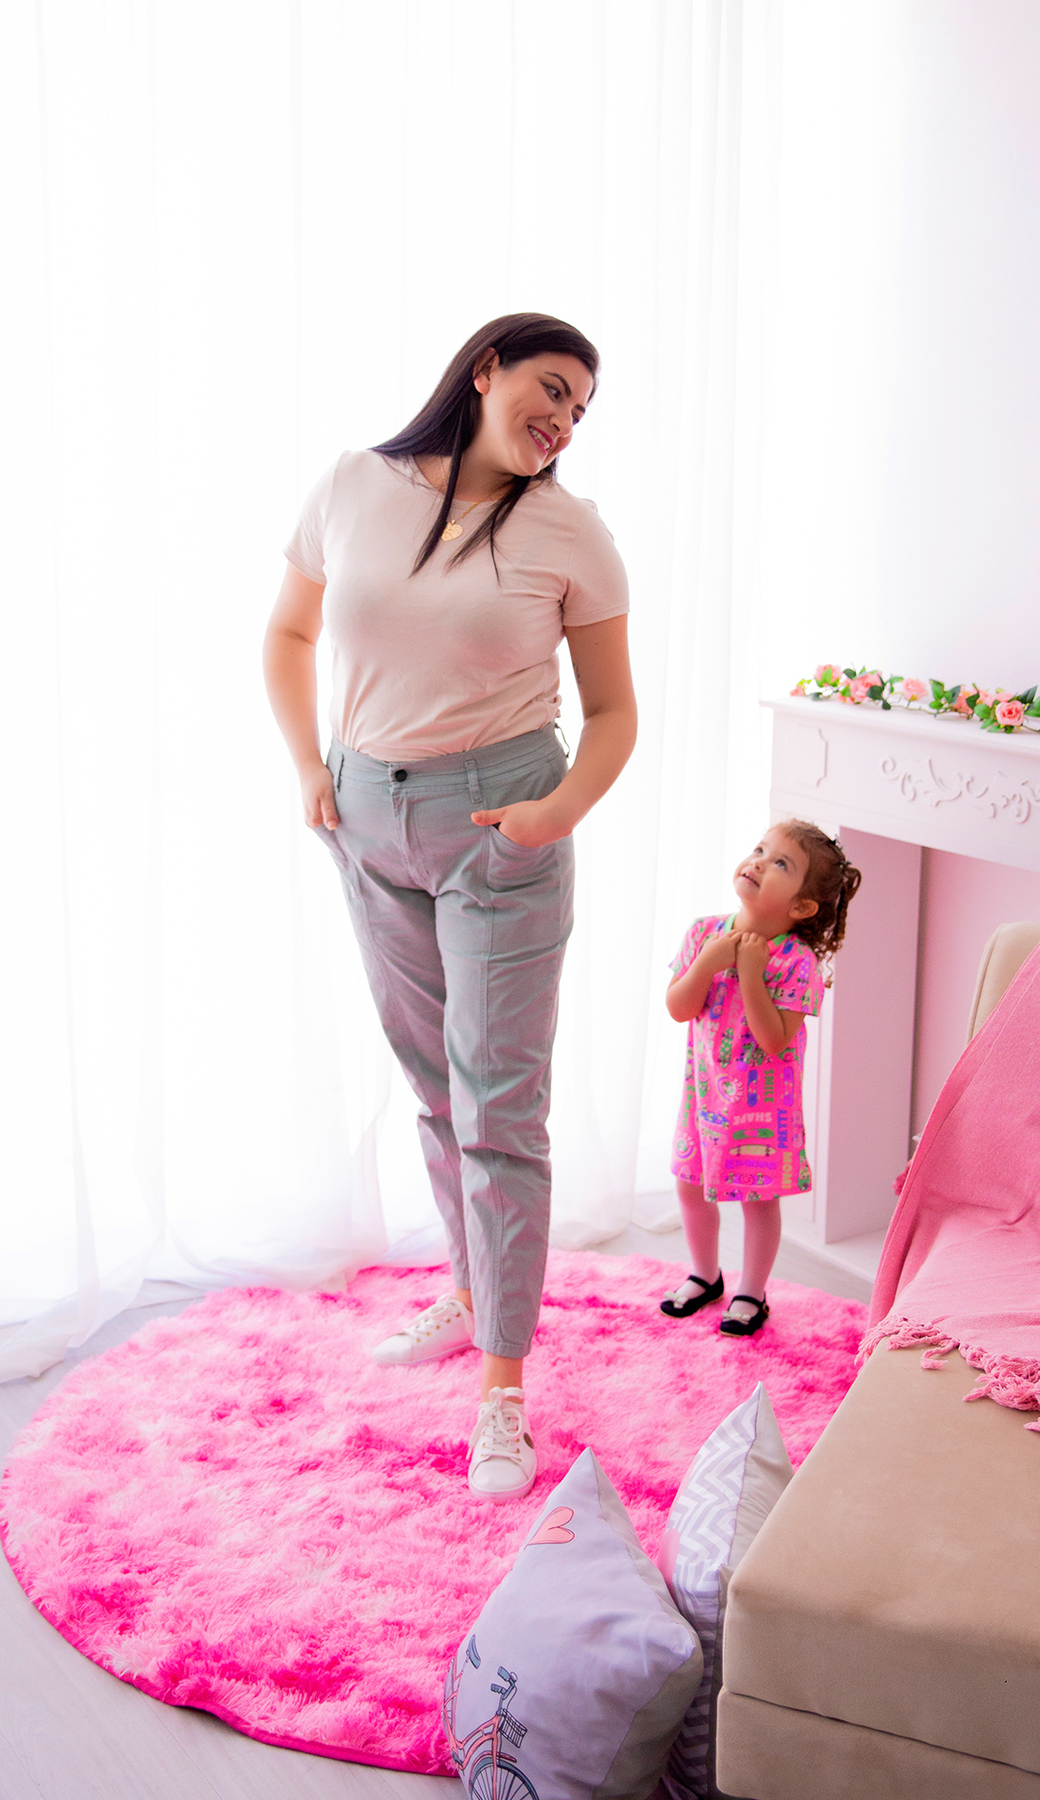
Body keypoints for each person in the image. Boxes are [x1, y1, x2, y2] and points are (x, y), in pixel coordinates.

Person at [263, 314, 636, 1501]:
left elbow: (616, 712)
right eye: (551, 388)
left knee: (500, 1100)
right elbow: (287, 631)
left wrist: (556, 810)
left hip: (500, 823)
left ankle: (504, 1392)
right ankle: (471, 1296)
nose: (564, 418)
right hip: (366, 815)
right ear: (484, 370)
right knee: (433, 1082)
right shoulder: (352, 485)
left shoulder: (569, 530)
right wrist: (310, 767)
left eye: (581, 408)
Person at [660, 821, 861, 1336]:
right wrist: (710, 960)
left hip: (761, 1115)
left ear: (801, 907)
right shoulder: (705, 932)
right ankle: (705, 1275)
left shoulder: (798, 963)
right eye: (759, 850)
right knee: (689, 1187)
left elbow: (774, 1040)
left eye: (780, 864)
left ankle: (752, 1291)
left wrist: (750, 969)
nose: (758, 861)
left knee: (757, 1200)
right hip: (703, 1098)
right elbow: (679, 1008)